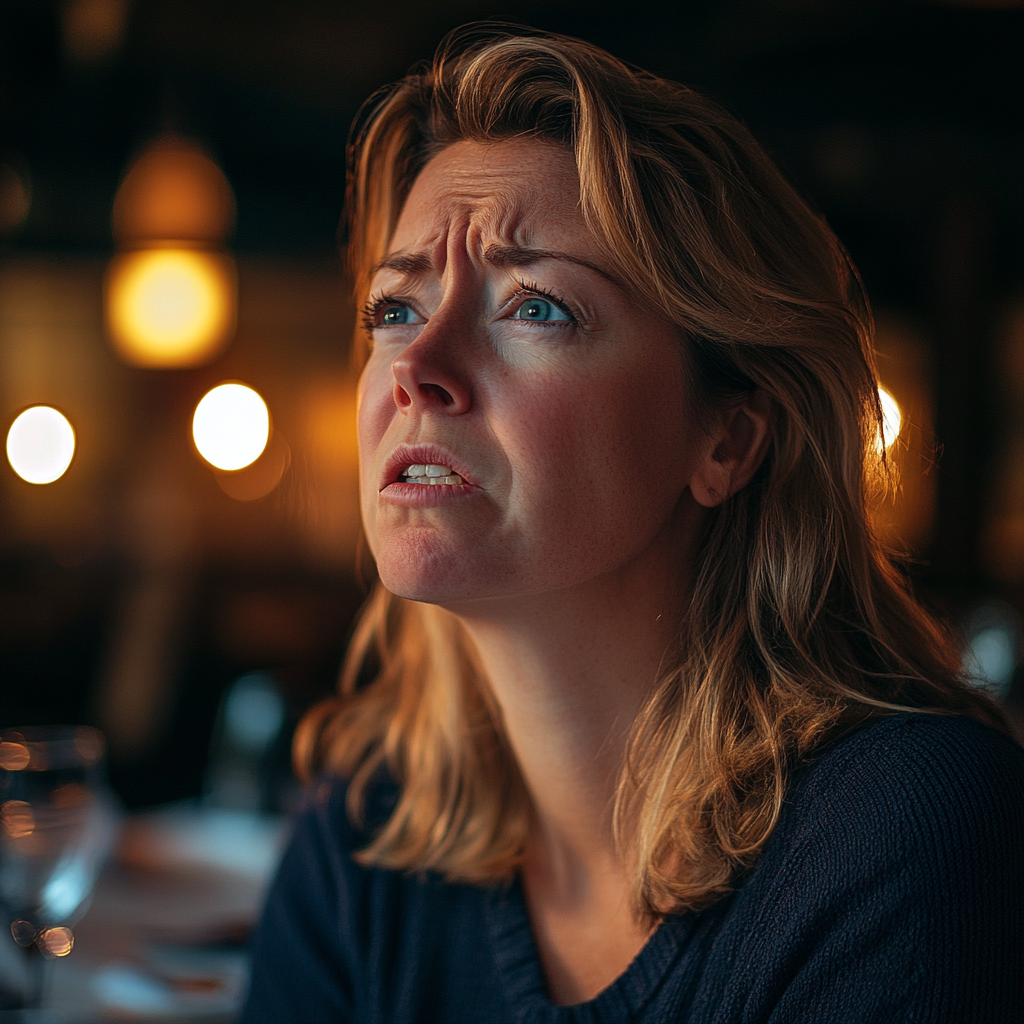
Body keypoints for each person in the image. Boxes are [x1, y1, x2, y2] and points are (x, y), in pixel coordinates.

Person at [241, 24, 1024, 1023]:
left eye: (535, 306)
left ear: (729, 440)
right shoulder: (365, 838)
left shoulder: (906, 835)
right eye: (394, 307)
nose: (416, 366)